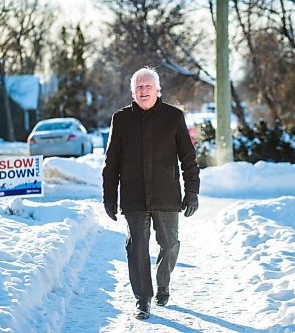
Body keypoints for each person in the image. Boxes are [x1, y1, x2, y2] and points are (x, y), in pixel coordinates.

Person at [102, 67, 200, 320]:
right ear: (132, 92)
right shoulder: (121, 119)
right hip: (134, 197)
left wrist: (192, 192)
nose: (143, 91)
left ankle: (163, 284)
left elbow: (188, 158)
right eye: (139, 87)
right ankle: (142, 299)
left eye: (148, 86)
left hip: (166, 195)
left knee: (169, 245)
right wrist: (109, 197)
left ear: (158, 90)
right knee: (137, 248)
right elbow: (111, 162)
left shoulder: (174, 117)